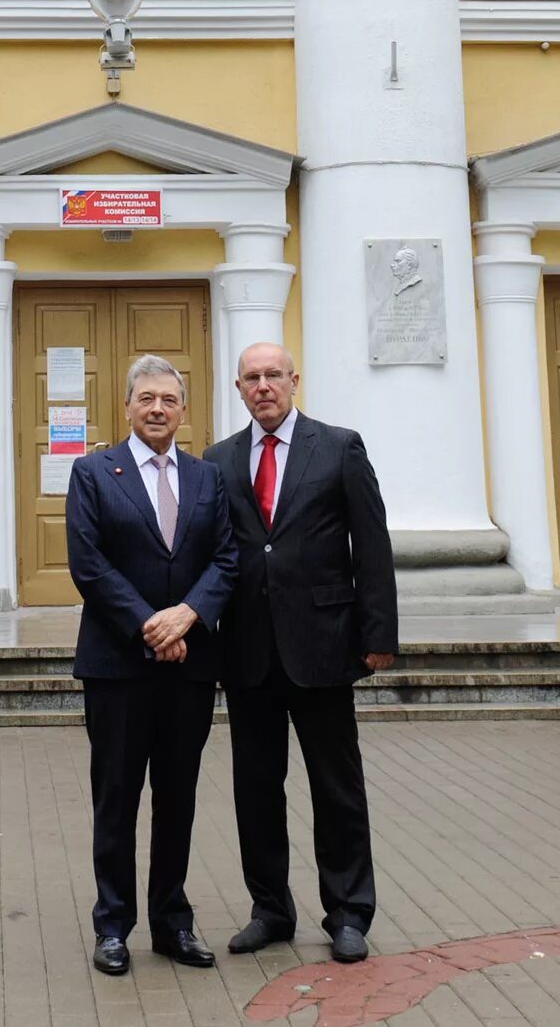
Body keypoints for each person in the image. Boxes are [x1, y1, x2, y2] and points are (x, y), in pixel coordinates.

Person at [204, 341, 398, 966]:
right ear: (238, 389)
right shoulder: (218, 460)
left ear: (294, 380)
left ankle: (347, 912)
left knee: (335, 787)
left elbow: (371, 545)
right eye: (251, 378)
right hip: (247, 652)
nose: (263, 386)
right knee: (256, 788)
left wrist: (378, 635)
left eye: (273, 376)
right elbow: (219, 555)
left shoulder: (339, 447)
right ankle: (270, 909)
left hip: (322, 646)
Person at [62, 354, 239, 979]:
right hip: (118, 667)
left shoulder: (206, 478)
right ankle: (113, 926)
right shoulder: (92, 473)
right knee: (116, 799)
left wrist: (186, 615)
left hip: (188, 667)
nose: (158, 408)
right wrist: (149, 623)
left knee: (178, 798)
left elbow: (226, 559)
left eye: (169, 398)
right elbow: (89, 565)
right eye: (146, 399)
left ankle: (172, 921)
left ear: (183, 409)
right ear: (128, 406)